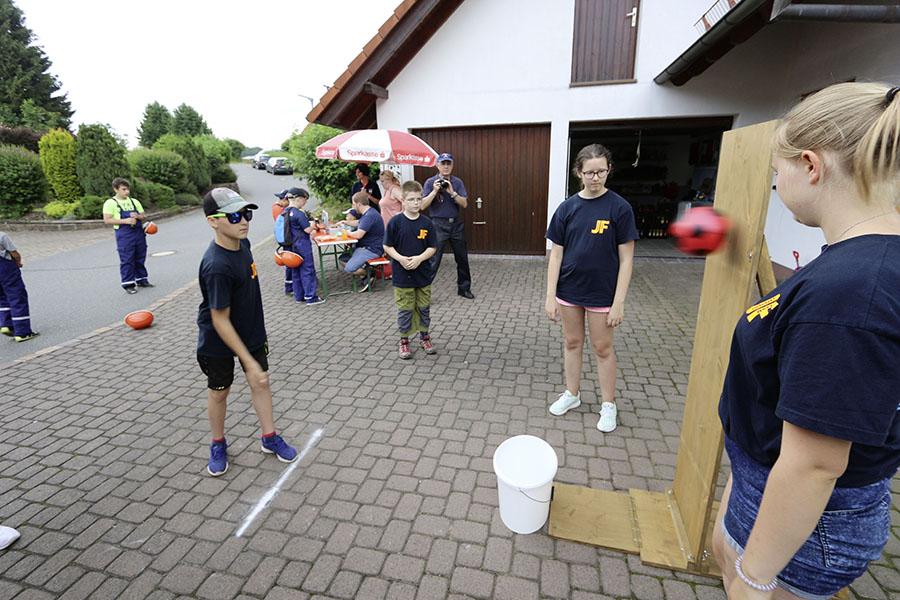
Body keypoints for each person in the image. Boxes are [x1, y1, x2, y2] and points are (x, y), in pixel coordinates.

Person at [712, 82, 900, 599]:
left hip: (806, 527)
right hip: (773, 496)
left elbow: (815, 463)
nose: (776, 186)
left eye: (778, 173)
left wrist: (754, 577)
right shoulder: (857, 265)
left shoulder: (850, 296)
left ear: (812, 166)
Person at [197, 187, 298, 476]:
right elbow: (220, 320)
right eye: (233, 216)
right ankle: (217, 443)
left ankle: (269, 437)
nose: (243, 221)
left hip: (251, 330)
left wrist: (254, 363)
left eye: (246, 213)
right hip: (218, 340)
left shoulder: (243, 244)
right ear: (213, 221)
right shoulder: (215, 266)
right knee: (220, 392)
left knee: (261, 383)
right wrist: (248, 362)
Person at [544, 144, 638, 433]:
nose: (595, 178)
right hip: (569, 291)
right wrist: (550, 295)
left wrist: (619, 301)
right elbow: (556, 254)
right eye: (589, 172)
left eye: (601, 171)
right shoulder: (567, 208)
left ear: (609, 170)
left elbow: (626, 259)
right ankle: (572, 394)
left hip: (602, 294)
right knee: (572, 343)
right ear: (578, 173)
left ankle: (608, 404)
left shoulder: (620, 208)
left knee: (602, 348)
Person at [384, 180, 438, 359]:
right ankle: (404, 340)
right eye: (412, 199)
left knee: (423, 307)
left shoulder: (427, 223)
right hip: (402, 275)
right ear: (403, 201)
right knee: (405, 310)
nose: (416, 203)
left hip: (422, 275)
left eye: (419, 199)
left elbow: (432, 247)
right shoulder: (395, 222)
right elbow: (387, 246)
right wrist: (400, 259)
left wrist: (419, 258)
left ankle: (425, 336)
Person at [423, 153, 474, 299]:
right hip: (438, 225)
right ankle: (423, 294)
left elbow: (464, 204)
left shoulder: (457, 182)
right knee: (433, 261)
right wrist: (434, 191)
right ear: (437, 165)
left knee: (462, 258)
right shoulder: (430, 182)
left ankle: (464, 289)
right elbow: (422, 206)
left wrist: (452, 192)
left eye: (448, 163)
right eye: (443, 163)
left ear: (452, 165)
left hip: (456, 225)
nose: (446, 166)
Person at [102, 178, 152, 294]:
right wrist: (126, 221)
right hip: (124, 235)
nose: (127, 192)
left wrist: (138, 216)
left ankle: (141, 279)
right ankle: (128, 283)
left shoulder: (134, 201)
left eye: (128, 189)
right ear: (116, 189)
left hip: (138, 233)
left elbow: (143, 215)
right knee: (127, 259)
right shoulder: (110, 203)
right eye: (123, 189)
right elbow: (107, 220)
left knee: (140, 255)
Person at [283, 187, 324, 305]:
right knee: (307, 270)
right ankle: (311, 297)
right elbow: (307, 230)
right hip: (302, 245)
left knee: (296, 270)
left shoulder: (286, 212)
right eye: (304, 200)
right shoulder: (298, 214)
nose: (305, 203)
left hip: (291, 246)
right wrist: (312, 224)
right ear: (298, 199)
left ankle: (299, 296)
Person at [337, 191, 385, 291]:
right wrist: (345, 222)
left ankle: (369, 273)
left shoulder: (369, 216)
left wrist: (345, 232)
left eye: (353, 204)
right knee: (342, 258)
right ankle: (366, 277)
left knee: (349, 268)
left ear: (359, 204)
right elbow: (359, 223)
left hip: (371, 249)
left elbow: (358, 234)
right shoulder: (369, 213)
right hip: (365, 247)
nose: (353, 207)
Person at [0, 231, 38, 342]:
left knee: (2, 297)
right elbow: (14, 254)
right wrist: (18, 262)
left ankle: (6, 324)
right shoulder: (2, 236)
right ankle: (22, 332)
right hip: (6, 270)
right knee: (17, 296)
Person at [273, 190, 293, 295]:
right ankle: (290, 287)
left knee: (289, 264)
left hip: (285, 240)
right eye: (280, 199)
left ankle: (290, 286)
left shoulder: (283, 209)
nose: (278, 201)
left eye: (281, 199)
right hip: (288, 240)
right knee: (290, 264)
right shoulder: (281, 210)